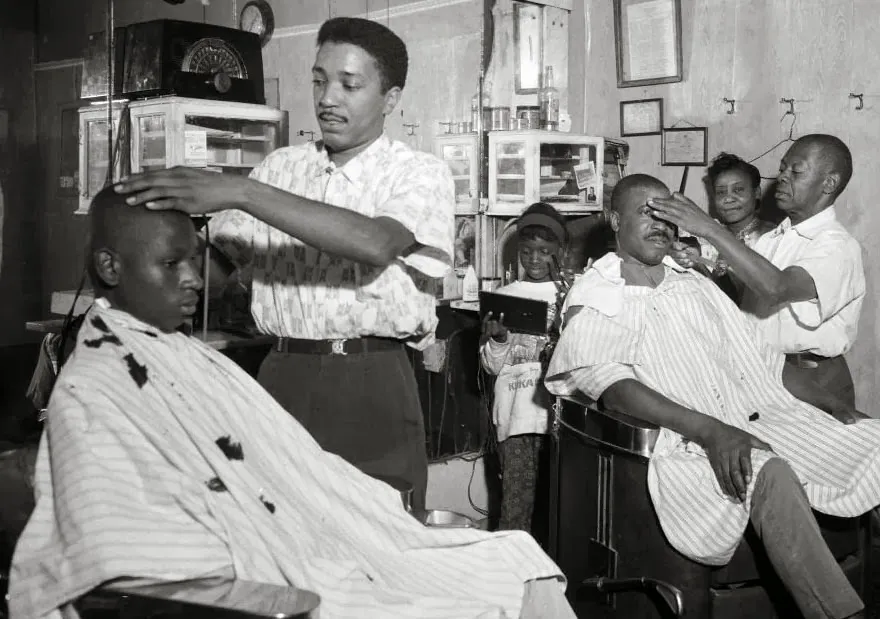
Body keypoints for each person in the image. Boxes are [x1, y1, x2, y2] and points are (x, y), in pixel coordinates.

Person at [9, 187, 574, 619]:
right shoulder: (97, 384)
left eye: (194, 261)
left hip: (303, 532)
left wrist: (348, 516)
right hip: (252, 577)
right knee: (499, 583)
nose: (195, 281)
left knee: (513, 558)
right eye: (172, 264)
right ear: (110, 268)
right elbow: (127, 554)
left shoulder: (178, 353)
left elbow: (287, 469)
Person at [112, 17, 456, 513]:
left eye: (349, 84)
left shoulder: (418, 173)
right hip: (281, 376)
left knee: (378, 537)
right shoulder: (281, 168)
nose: (328, 98)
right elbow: (211, 267)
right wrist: (134, 274)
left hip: (370, 379)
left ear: (391, 97)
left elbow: (375, 242)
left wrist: (241, 190)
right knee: (278, 527)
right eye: (319, 80)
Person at [546, 174, 880, 619]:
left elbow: (763, 362)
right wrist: (711, 431)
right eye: (646, 212)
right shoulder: (602, 292)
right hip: (688, 439)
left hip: (760, 414)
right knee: (769, 472)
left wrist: (835, 406)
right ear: (614, 220)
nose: (659, 223)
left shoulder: (694, 282)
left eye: (666, 213)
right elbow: (614, 388)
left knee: (874, 441)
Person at [652, 135, 865, 408]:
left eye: (796, 171)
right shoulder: (774, 239)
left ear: (829, 183)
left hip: (812, 377)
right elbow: (743, 302)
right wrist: (700, 266)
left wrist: (708, 228)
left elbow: (778, 288)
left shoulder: (838, 246)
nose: (783, 177)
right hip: (765, 370)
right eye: (783, 168)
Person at [480, 203, 567, 533]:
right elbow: (491, 366)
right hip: (515, 420)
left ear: (560, 251)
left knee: (558, 510)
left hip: (556, 422)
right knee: (515, 510)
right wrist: (499, 340)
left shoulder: (570, 296)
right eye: (527, 251)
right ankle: (510, 577)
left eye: (544, 251)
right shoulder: (504, 297)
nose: (534, 259)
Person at [679, 153, 775, 301]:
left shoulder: (774, 237)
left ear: (757, 193)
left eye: (738, 190)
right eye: (721, 192)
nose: (728, 199)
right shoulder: (704, 238)